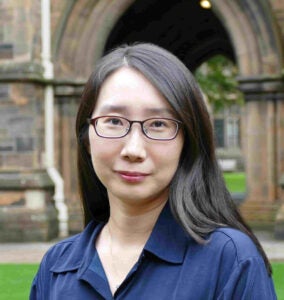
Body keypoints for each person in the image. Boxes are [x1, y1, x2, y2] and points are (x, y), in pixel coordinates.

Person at [30, 43, 276, 299]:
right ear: (86, 137)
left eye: (158, 124)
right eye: (114, 121)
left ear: (187, 141)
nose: (133, 149)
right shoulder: (56, 268)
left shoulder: (230, 260)